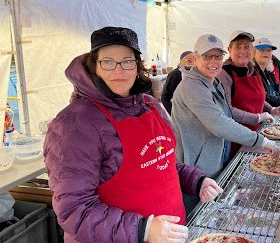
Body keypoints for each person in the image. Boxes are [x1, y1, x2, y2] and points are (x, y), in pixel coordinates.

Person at [44, 27, 222, 243]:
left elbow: (163, 163)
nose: (119, 70)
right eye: (108, 61)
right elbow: (74, 210)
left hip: (171, 235)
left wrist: (196, 181)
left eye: (127, 61)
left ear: (138, 66)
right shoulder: (74, 124)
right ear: (94, 66)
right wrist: (143, 230)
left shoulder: (150, 106)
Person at [171, 33, 280, 180]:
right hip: (196, 173)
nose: (213, 61)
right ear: (195, 58)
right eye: (207, 56)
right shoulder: (191, 87)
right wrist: (261, 141)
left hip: (215, 164)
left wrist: (264, 115)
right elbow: (219, 124)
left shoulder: (213, 82)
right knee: (199, 204)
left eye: (217, 56)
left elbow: (228, 112)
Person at [217, 31, 280, 158]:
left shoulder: (252, 69)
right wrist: (258, 117)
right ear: (229, 49)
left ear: (252, 50)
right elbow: (227, 111)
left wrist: (271, 109)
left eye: (247, 47)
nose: (243, 51)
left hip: (257, 135)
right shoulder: (224, 73)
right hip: (236, 139)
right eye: (238, 47)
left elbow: (258, 97)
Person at [161, 51, 194, 115]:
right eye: (189, 61)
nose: (193, 64)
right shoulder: (175, 74)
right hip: (180, 113)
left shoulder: (196, 74)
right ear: (181, 62)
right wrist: (174, 114)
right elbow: (165, 97)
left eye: (195, 61)